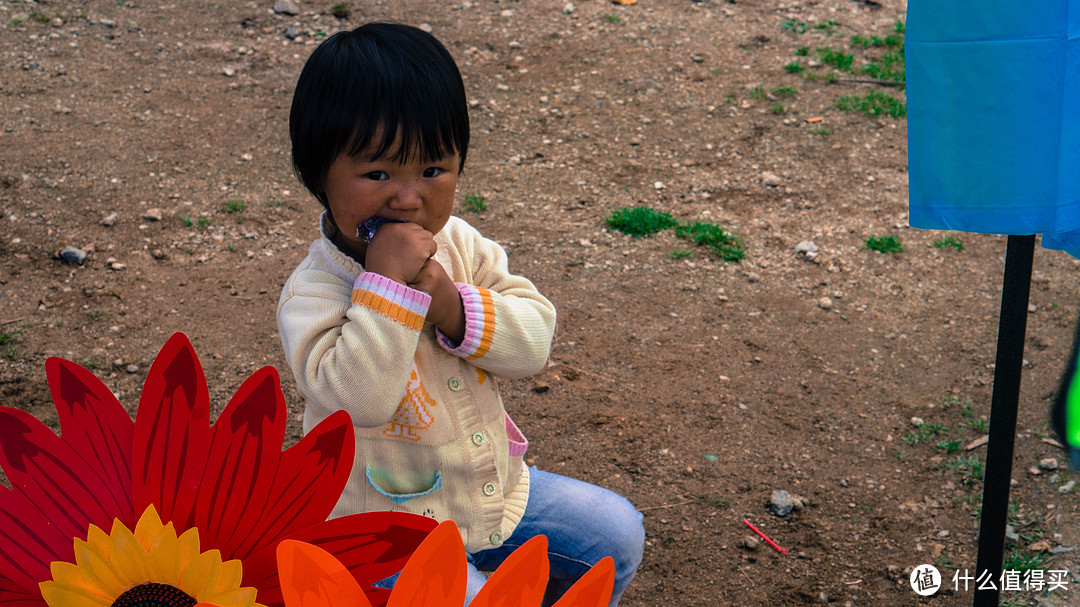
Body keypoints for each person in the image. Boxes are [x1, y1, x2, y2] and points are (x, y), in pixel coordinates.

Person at [277, 22, 644, 605]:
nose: (407, 197)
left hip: (487, 494)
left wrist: (451, 306)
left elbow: (533, 345)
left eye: (433, 170)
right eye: (377, 174)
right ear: (317, 175)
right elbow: (358, 403)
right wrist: (388, 286)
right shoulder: (314, 292)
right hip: (384, 535)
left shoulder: (463, 247)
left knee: (615, 535)